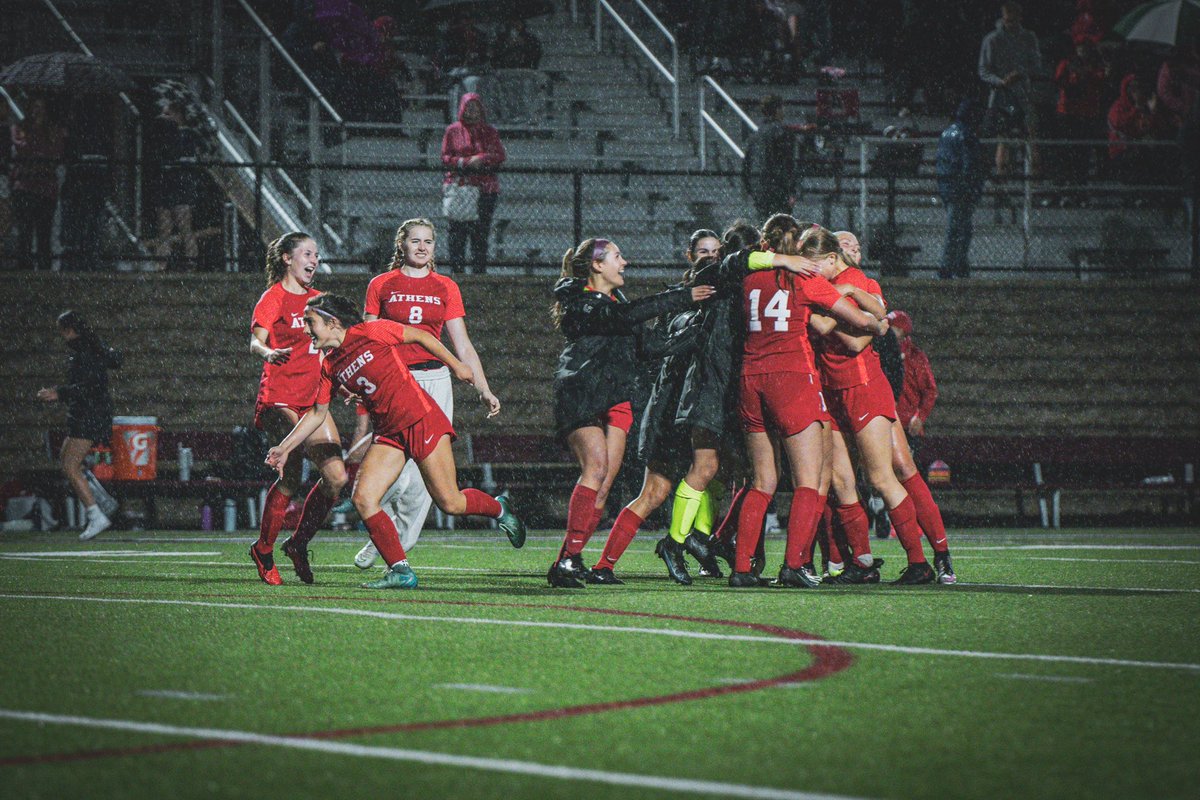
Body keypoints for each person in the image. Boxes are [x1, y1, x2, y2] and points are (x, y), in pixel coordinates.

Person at [266, 293, 525, 589]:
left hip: (421, 420)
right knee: (363, 498)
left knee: (450, 502)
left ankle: (500, 509)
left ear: (332, 322)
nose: (305, 329)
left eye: (310, 322)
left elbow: (421, 336)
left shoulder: (370, 331)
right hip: (389, 433)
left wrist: (456, 365)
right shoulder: (329, 365)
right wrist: (284, 448)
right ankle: (400, 571)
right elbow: (317, 413)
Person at [725, 216, 889, 589]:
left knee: (762, 480)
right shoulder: (804, 278)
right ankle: (794, 565)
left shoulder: (748, 276)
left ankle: (742, 568)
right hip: (792, 379)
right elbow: (855, 318)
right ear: (797, 244)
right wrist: (878, 326)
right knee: (810, 479)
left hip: (750, 378)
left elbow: (733, 268)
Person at [546, 238, 715, 588]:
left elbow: (650, 346)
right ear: (597, 265)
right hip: (583, 393)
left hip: (615, 395)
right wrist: (683, 297)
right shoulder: (581, 301)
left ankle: (571, 559)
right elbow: (624, 317)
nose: (624, 262)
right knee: (595, 470)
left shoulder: (616, 303)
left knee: (603, 486)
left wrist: (697, 333)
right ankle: (567, 560)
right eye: (617, 257)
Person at [352, 218, 501, 571]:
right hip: (394, 381)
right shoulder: (381, 284)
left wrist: (483, 387)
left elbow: (462, 344)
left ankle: (395, 544)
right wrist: (360, 380)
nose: (422, 247)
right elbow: (367, 338)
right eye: (415, 241)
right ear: (401, 244)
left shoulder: (446, 286)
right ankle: (383, 531)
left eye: (428, 241)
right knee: (391, 469)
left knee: (423, 479)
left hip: (435, 380)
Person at [808, 226, 952, 584]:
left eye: (854, 245)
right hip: (833, 390)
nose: (851, 249)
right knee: (841, 480)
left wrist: (819, 316)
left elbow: (868, 332)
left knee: (893, 472)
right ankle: (859, 562)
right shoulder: (824, 284)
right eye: (845, 243)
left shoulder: (860, 281)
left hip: (865, 386)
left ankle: (931, 557)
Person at [248, 232, 349, 586]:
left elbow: (329, 349)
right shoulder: (273, 297)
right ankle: (263, 549)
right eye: (307, 253)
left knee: (336, 478)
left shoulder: (318, 301)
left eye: (316, 255)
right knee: (291, 476)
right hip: (279, 397)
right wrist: (269, 352)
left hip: (313, 399)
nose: (314, 260)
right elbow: (255, 341)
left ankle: (297, 543)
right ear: (287, 258)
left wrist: (344, 384)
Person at [36, 311, 123, 540]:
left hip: (89, 416)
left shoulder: (85, 351)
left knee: (71, 466)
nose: (61, 336)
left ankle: (96, 515)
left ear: (70, 330)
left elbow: (89, 387)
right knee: (66, 460)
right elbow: (111, 364)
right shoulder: (91, 347)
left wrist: (59, 393)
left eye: (62, 331)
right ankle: (102, 500)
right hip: (87, 415)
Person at [441, 93, 506, 274]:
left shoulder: (489, 132)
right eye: (468, 108)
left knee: (480, 233)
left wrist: (482, 159)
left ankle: (479, 272)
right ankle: (457, 272)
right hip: (460, 188)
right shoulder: (453, 131)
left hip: (485, 189)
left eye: (475, 108)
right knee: (457, 232)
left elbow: (499, 155)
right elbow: (445, 157)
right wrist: (464, 162)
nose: (472, 112)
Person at [978, 1, 1042, 175]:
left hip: (1023, 94)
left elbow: (1036, 65)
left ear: (1020, 18)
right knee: (1003, 138)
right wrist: (1001, 81)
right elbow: (983, 70)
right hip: (1000, 96)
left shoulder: (1028, 38)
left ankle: (1033, 180)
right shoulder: (992, 39)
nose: (1010, 24)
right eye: (1007, 20)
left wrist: (1020, 73)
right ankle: (1002, 179)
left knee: (1031, 135)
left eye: (1013, 20)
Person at [9, 97, 65, 271]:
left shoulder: (53, 130)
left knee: (44, 233)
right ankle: (24, 269)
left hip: (45, 188)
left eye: (41, 107)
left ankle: (44, 269)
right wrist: (36, 139)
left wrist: (40, 146)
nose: (37, 111)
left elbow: (55, 151)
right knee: (24, 232)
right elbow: (23, 148)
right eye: (34, 107)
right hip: (25, 185)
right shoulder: (20, 128)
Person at [936, 99, 988, 279]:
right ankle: (952, 266)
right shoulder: (966, 135)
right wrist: (972, 187)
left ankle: (954, 265)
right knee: (960, 230)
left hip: (948, 187)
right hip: (961, 189)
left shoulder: (947, 133)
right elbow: (970, 165)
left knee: (957, 228)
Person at [152, 100, 202, 270]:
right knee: (164, 228)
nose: (163, 118)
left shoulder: (188, 135)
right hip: (166, 184)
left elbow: (186, 159)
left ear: (178, 115)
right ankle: (161, 265)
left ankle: (191, 265)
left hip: (181, 186)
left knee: (184, 226)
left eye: (168, 114)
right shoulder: (165, 136)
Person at [741, 95, 796, 222]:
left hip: (759, 187)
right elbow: (788, 163)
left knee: (764, 222)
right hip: (777, 187)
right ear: (777, 110)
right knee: (781, 224)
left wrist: (749, 186)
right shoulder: (782, 132)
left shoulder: (756, 134)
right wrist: (791, 190)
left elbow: (746, 162)